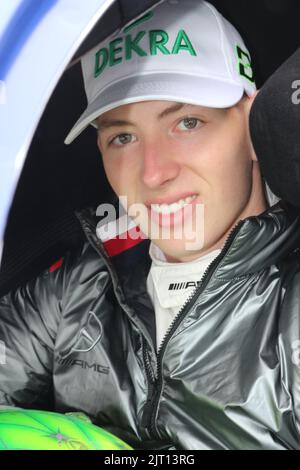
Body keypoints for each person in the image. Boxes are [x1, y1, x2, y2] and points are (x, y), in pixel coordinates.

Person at [1, 0, 300, 450]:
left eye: (188, 122)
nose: (153, 172)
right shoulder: (85, 278)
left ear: (253, 125)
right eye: (123, 137)